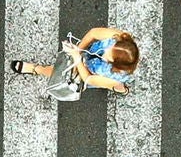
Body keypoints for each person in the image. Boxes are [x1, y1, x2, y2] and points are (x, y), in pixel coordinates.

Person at [10, 27, 140, 101]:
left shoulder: (114, 75)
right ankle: (122, 90)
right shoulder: (119, 37)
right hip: (88, 55)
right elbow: (93, 33)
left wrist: (77, 58)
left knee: (114, 84)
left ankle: (37, 69)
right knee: (118, 86)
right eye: (110, 48)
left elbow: (88, 78)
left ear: (115, 65)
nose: (105, 51)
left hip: (92, 71)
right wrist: (79, 49)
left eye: (108, 56)